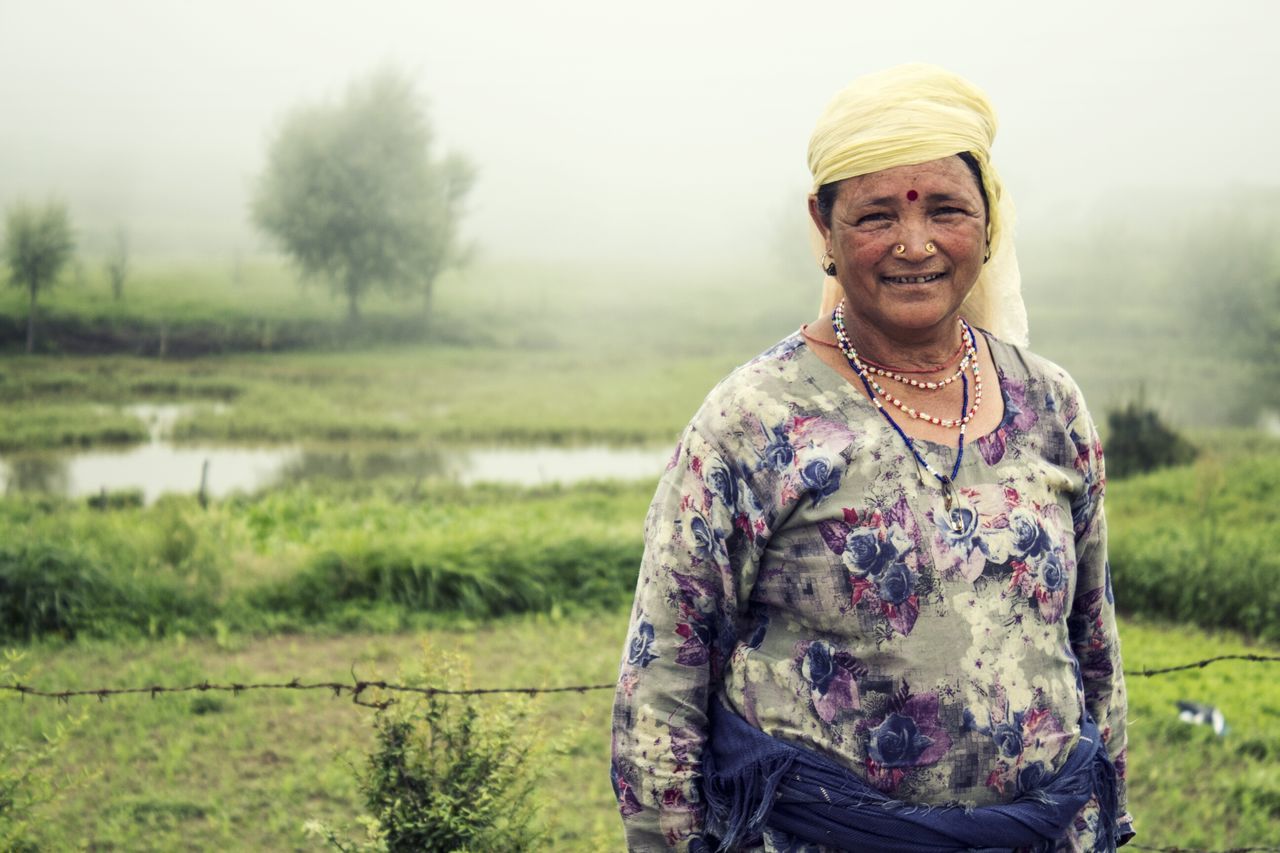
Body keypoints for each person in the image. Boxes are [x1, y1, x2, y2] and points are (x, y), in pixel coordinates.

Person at [610, 64, 1133, 853]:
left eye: (947, 210)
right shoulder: (753, 420)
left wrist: (1104, 815)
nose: (914, 244)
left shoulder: (1050, 404)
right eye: (875, 215)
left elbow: (1093, 646)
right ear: (823, 228)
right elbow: (660, 692)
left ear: (989, 223)